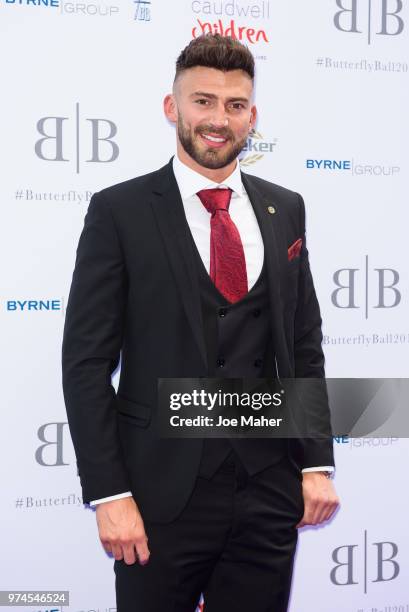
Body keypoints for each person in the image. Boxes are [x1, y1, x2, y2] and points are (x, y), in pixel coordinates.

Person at [62, 33, 340, 612]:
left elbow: (303, 344)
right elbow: (87, 364)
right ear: (173, 108)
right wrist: (110, 493)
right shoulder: (121, 211)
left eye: (235, 106)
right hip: (158, 497)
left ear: (252, 117)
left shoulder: (284, 206)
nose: (219, 119)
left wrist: (315, 461)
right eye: (203, 101)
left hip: (268, 490)